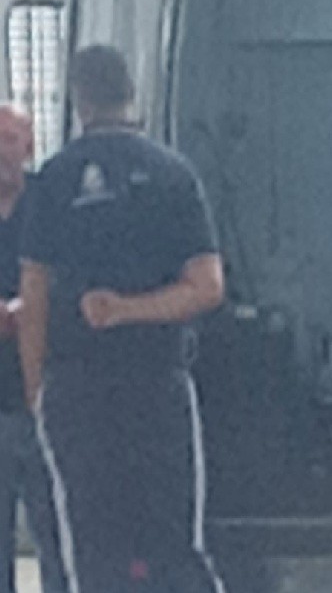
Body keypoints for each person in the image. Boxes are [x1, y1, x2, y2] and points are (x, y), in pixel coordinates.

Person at [18, 45, 227, 593]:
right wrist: (135, 310)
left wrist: (38, 390)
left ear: (77, 98)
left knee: (90, 547)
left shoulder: (53, 182)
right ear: (130, 93)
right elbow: (207, 288)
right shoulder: (174, 175)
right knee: (175, 542)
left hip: (77, 391)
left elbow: (33, 297)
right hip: (157, 385)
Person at [0, 106, 65, 593]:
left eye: (9, 139)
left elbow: (77, 278)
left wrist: (30, 311)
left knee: (57, 535)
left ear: (29, 145)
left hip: (44, 402)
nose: (1, 152)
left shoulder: (52, 204)